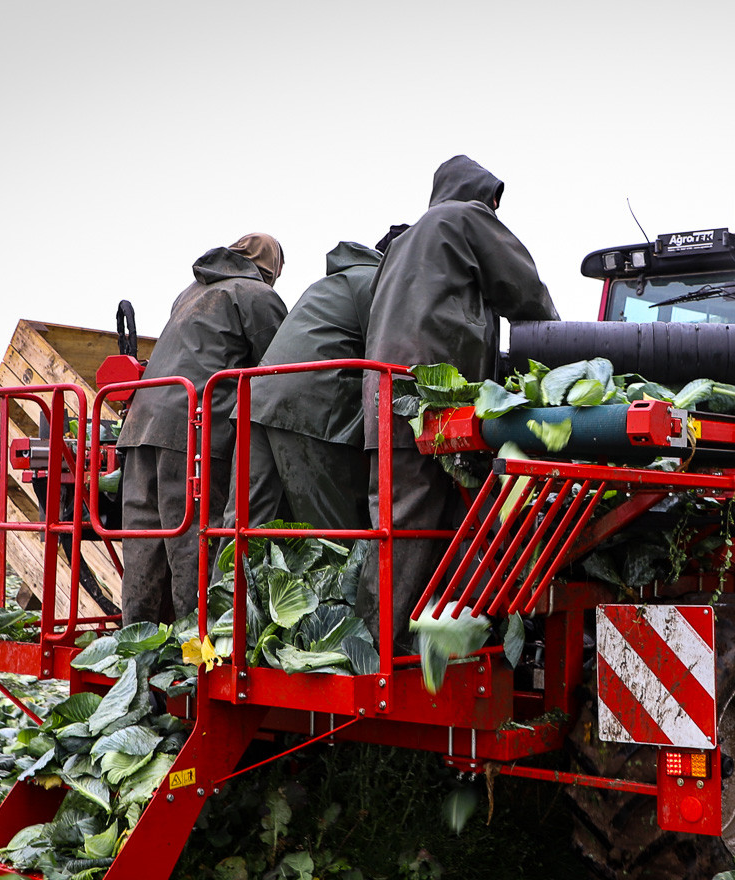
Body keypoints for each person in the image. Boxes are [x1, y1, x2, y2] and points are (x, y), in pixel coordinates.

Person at [362, 157, 557, 644]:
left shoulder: (406, 240)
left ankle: (404, 647)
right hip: (430, 401)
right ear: (483, 194)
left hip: (386, 399)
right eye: (494, 201)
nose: (494, 211)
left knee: (401, 528)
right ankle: (384, 655)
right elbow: (526, 292)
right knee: (414, 533)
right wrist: (563, 352)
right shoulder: (464, 218)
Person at [117, 233, 287, 625]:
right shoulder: (255, 294)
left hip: (140, 426)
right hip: (190, 428)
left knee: (143, 543)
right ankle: (199, 649)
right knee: (194, 541)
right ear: (271, 267)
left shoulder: (192, 291)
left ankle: (136, 641)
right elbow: (282, 366)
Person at [235, 226, 408, 531]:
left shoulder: (333, 282)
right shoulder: (378, 284)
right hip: (306, 409)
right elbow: (397, 358)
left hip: (256, 401)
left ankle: (229, 581)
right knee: (331, 536)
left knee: (243, 528)